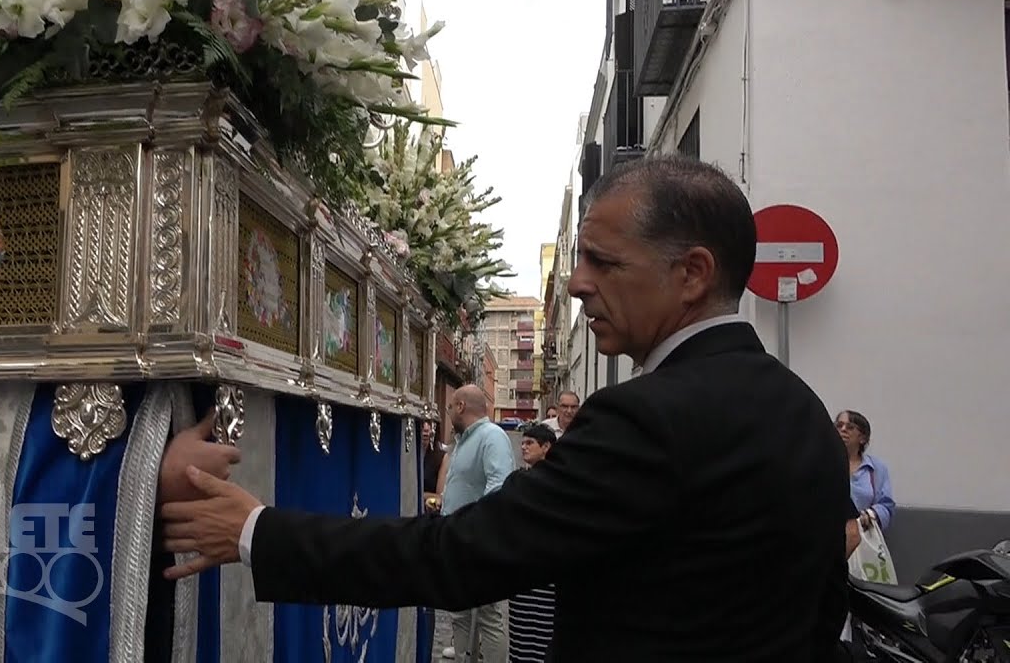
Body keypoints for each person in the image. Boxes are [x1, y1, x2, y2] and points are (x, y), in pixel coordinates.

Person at [159, 156, 852, 661]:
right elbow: (825, 613)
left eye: (603, 264)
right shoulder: (805, 415)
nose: (577, 285)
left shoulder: (648, 419)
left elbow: (462, 554)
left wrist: (255, 530)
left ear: (692, 274)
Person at [437, 385, 516, 663]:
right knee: (460, 610)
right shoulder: (463, 441)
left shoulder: (491, 436)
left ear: (460, 407)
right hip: (458, 537)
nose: (449, 413)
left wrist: (474, 526)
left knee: (488, 614)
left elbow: (499, 484)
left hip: (477, 538)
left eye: (450, 407)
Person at [508, 424, 558, 662]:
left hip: (547, 572)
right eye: (523, 442)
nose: (524, 447)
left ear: (546, 447)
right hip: (522, 569)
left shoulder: (558, 484)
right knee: (521, 634)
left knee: (543, 633)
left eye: (530, 443)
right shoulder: (520, 479)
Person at [836, 410, 896, 534]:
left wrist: (871, 514)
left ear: (862, 438)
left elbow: (886, 505)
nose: (843, 429)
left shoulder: (876, 469)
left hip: (863, 535)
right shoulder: (823, 463)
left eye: (850, 427)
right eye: (839, 425)